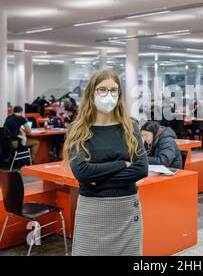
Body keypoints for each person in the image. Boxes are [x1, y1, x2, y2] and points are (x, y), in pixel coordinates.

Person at [63, 69, 148, 256]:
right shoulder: (77, 130)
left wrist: (97, 179)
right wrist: (121, 164)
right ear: (91, 93)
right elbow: (82, 173)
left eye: (114, 90)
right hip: (92, 212)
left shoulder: (130, 126)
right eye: (102, 89)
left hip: (125, 210)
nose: (108, 95)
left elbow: (141, 169)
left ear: (119, 94)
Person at [0, 106, 40, 170]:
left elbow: (8, 129)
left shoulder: (8, 117)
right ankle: (31, 161)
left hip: (5, 142)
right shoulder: (21, 118)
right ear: (21, 112)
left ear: (13, 111)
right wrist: (22, 130)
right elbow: (29, 130)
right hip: (14, 143)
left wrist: (19, 129)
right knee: (36, 142)